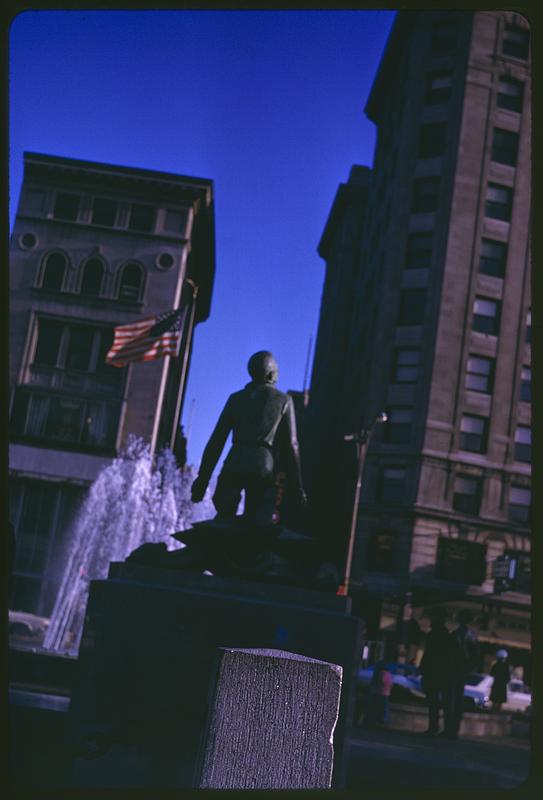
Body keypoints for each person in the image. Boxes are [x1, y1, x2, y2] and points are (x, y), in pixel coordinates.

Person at [191, 351, 307, 526]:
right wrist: (297, 487)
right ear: (271, 374)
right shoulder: (284, 400)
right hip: (262, 465)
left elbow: (217, 440)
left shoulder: (235, 399)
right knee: (257, 523)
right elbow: (292, 446)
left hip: (235, 460)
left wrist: (202, 479)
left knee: (223, 520)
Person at [419, 607, 456, 737]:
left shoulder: (433, 635)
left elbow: (428, 654)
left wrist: (422, 669)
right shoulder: (448, 636)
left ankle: (433, 727)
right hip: (443, 673)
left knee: (433, 702)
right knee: (442, 702)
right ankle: (441, 728)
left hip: (433, 672)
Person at [447, 609, 480, 738]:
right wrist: (468, 668)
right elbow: (476, 656)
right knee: (458, 700)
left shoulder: (455, 634)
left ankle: (450, 729)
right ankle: (454, 729)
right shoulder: (472, 635)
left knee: (451, 699)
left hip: (454, 669)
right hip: (462, 670)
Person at [366, 661, 393, 728]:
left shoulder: (380, 673)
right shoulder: (388, 673)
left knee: (377, 708)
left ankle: (377, 721)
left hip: (379, 693)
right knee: (382, 709)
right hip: (385, 693)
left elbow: (382, 680)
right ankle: (381, 721)